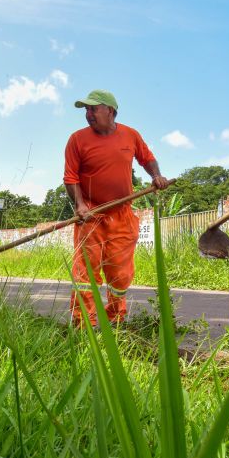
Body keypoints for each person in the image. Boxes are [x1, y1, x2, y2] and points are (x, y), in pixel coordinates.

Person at [64, 89, 169, 327]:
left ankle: (116, 321)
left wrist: (157, 176)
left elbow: (147, 158)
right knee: (85, 273)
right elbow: (70, 177)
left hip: (121, 215)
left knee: (120, 274)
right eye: (86, 110)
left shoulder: (130, 135)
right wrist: (80, 205)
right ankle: (83, 323)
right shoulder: (77, 139)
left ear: (110, 110)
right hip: (90, 214)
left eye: (93, 108)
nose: (88, 114)